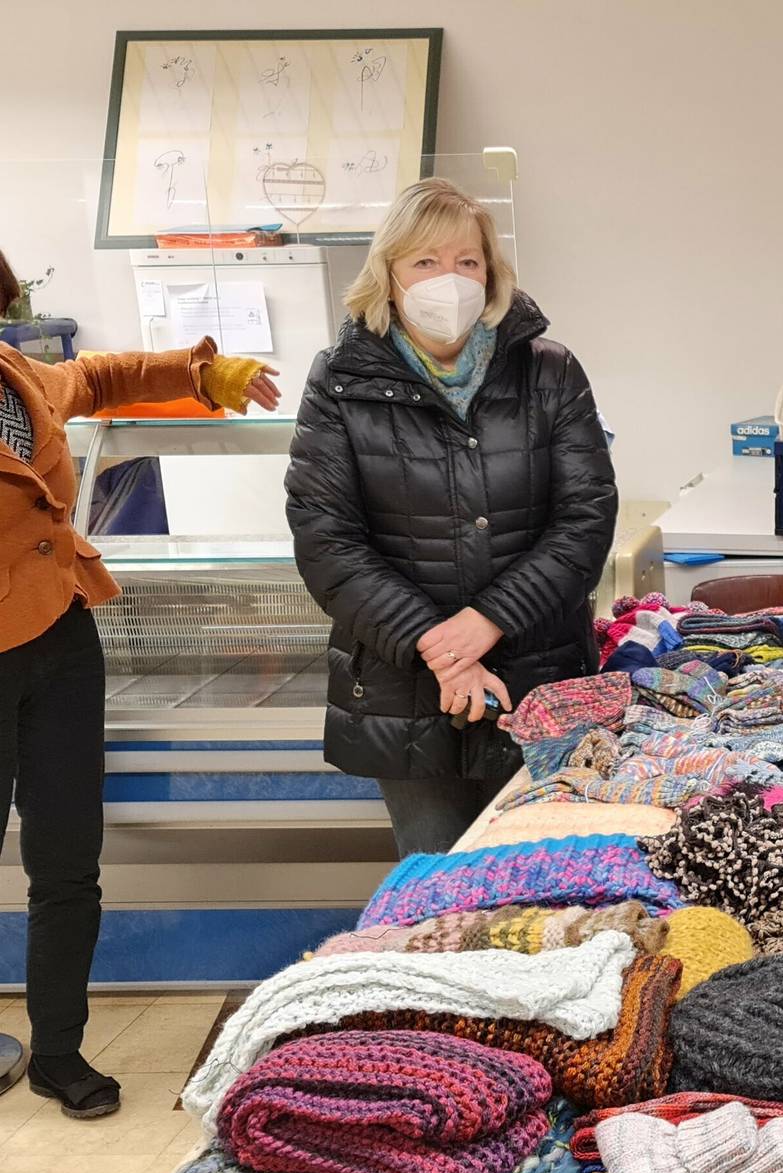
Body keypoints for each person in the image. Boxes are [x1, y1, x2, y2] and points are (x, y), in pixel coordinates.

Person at [0, 248, 279, 1115]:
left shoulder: (13, 368)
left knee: (67, 859)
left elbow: (94, 377)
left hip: (60, 635)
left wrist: (204, 372)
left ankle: (58, 1050)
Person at [286, 178, 617, 858]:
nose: (450, 280)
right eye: (426, 262)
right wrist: (442, 647)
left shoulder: (548, 371)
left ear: (491, 271)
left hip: (542, 676)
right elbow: (327, 541)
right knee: (437, 895)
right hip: (402, 688)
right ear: (389, 272)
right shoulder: (339, 382)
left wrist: (486, 619)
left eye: (467, 262)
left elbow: (585, 518)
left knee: (550, 883)